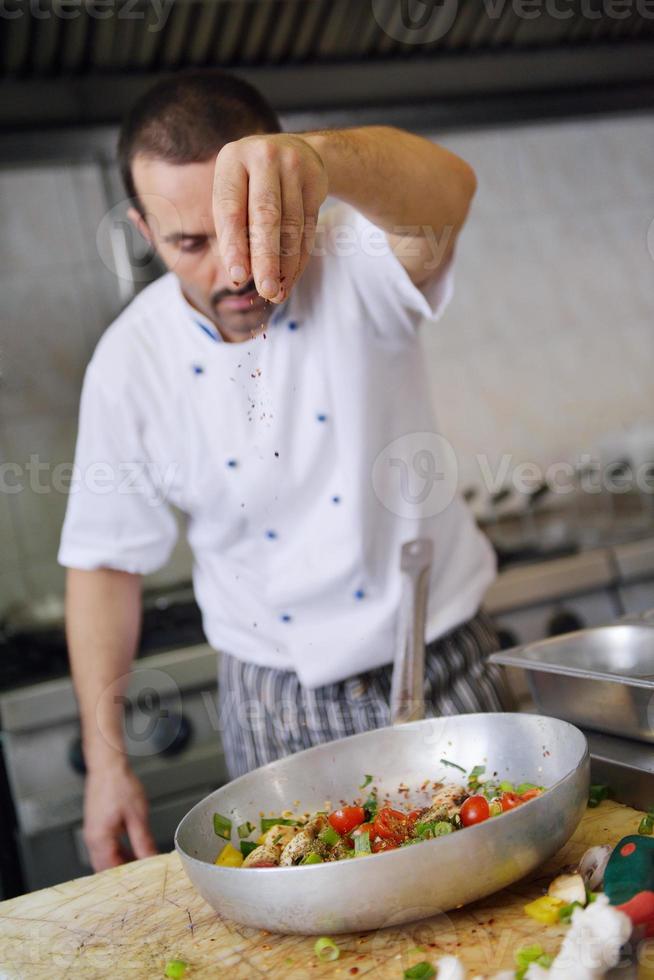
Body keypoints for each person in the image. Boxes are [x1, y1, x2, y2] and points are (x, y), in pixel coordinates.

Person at [59, 69, 508, 872]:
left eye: (249, 231)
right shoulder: (129, 363)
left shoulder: (358, 255)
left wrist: (320, 158)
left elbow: (452, 191)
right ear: (142, 226)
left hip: (441, 662)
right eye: (189, 243)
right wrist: (107, 763)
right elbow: (103, 564)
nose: (234, 272)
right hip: (274, 704)